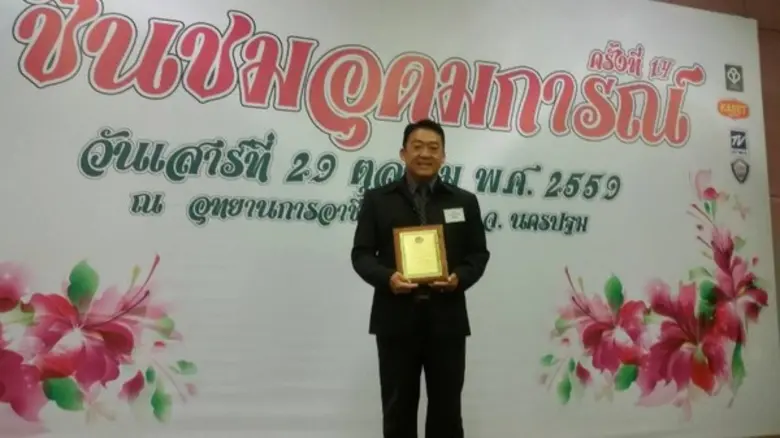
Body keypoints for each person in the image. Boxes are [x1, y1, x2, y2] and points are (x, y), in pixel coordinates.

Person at [350, 119, 490, 438]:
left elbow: (478, 255)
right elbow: (361, 254)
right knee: (398, 411)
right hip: (395, 321)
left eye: (433, 148)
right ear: (403, 153)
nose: (425, 154)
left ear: (443, 156)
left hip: (447, 321)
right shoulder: (378, 199)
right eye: (417, 147)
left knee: (447, 412)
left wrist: (459, 278)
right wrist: (387, 277)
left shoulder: (464, 201)